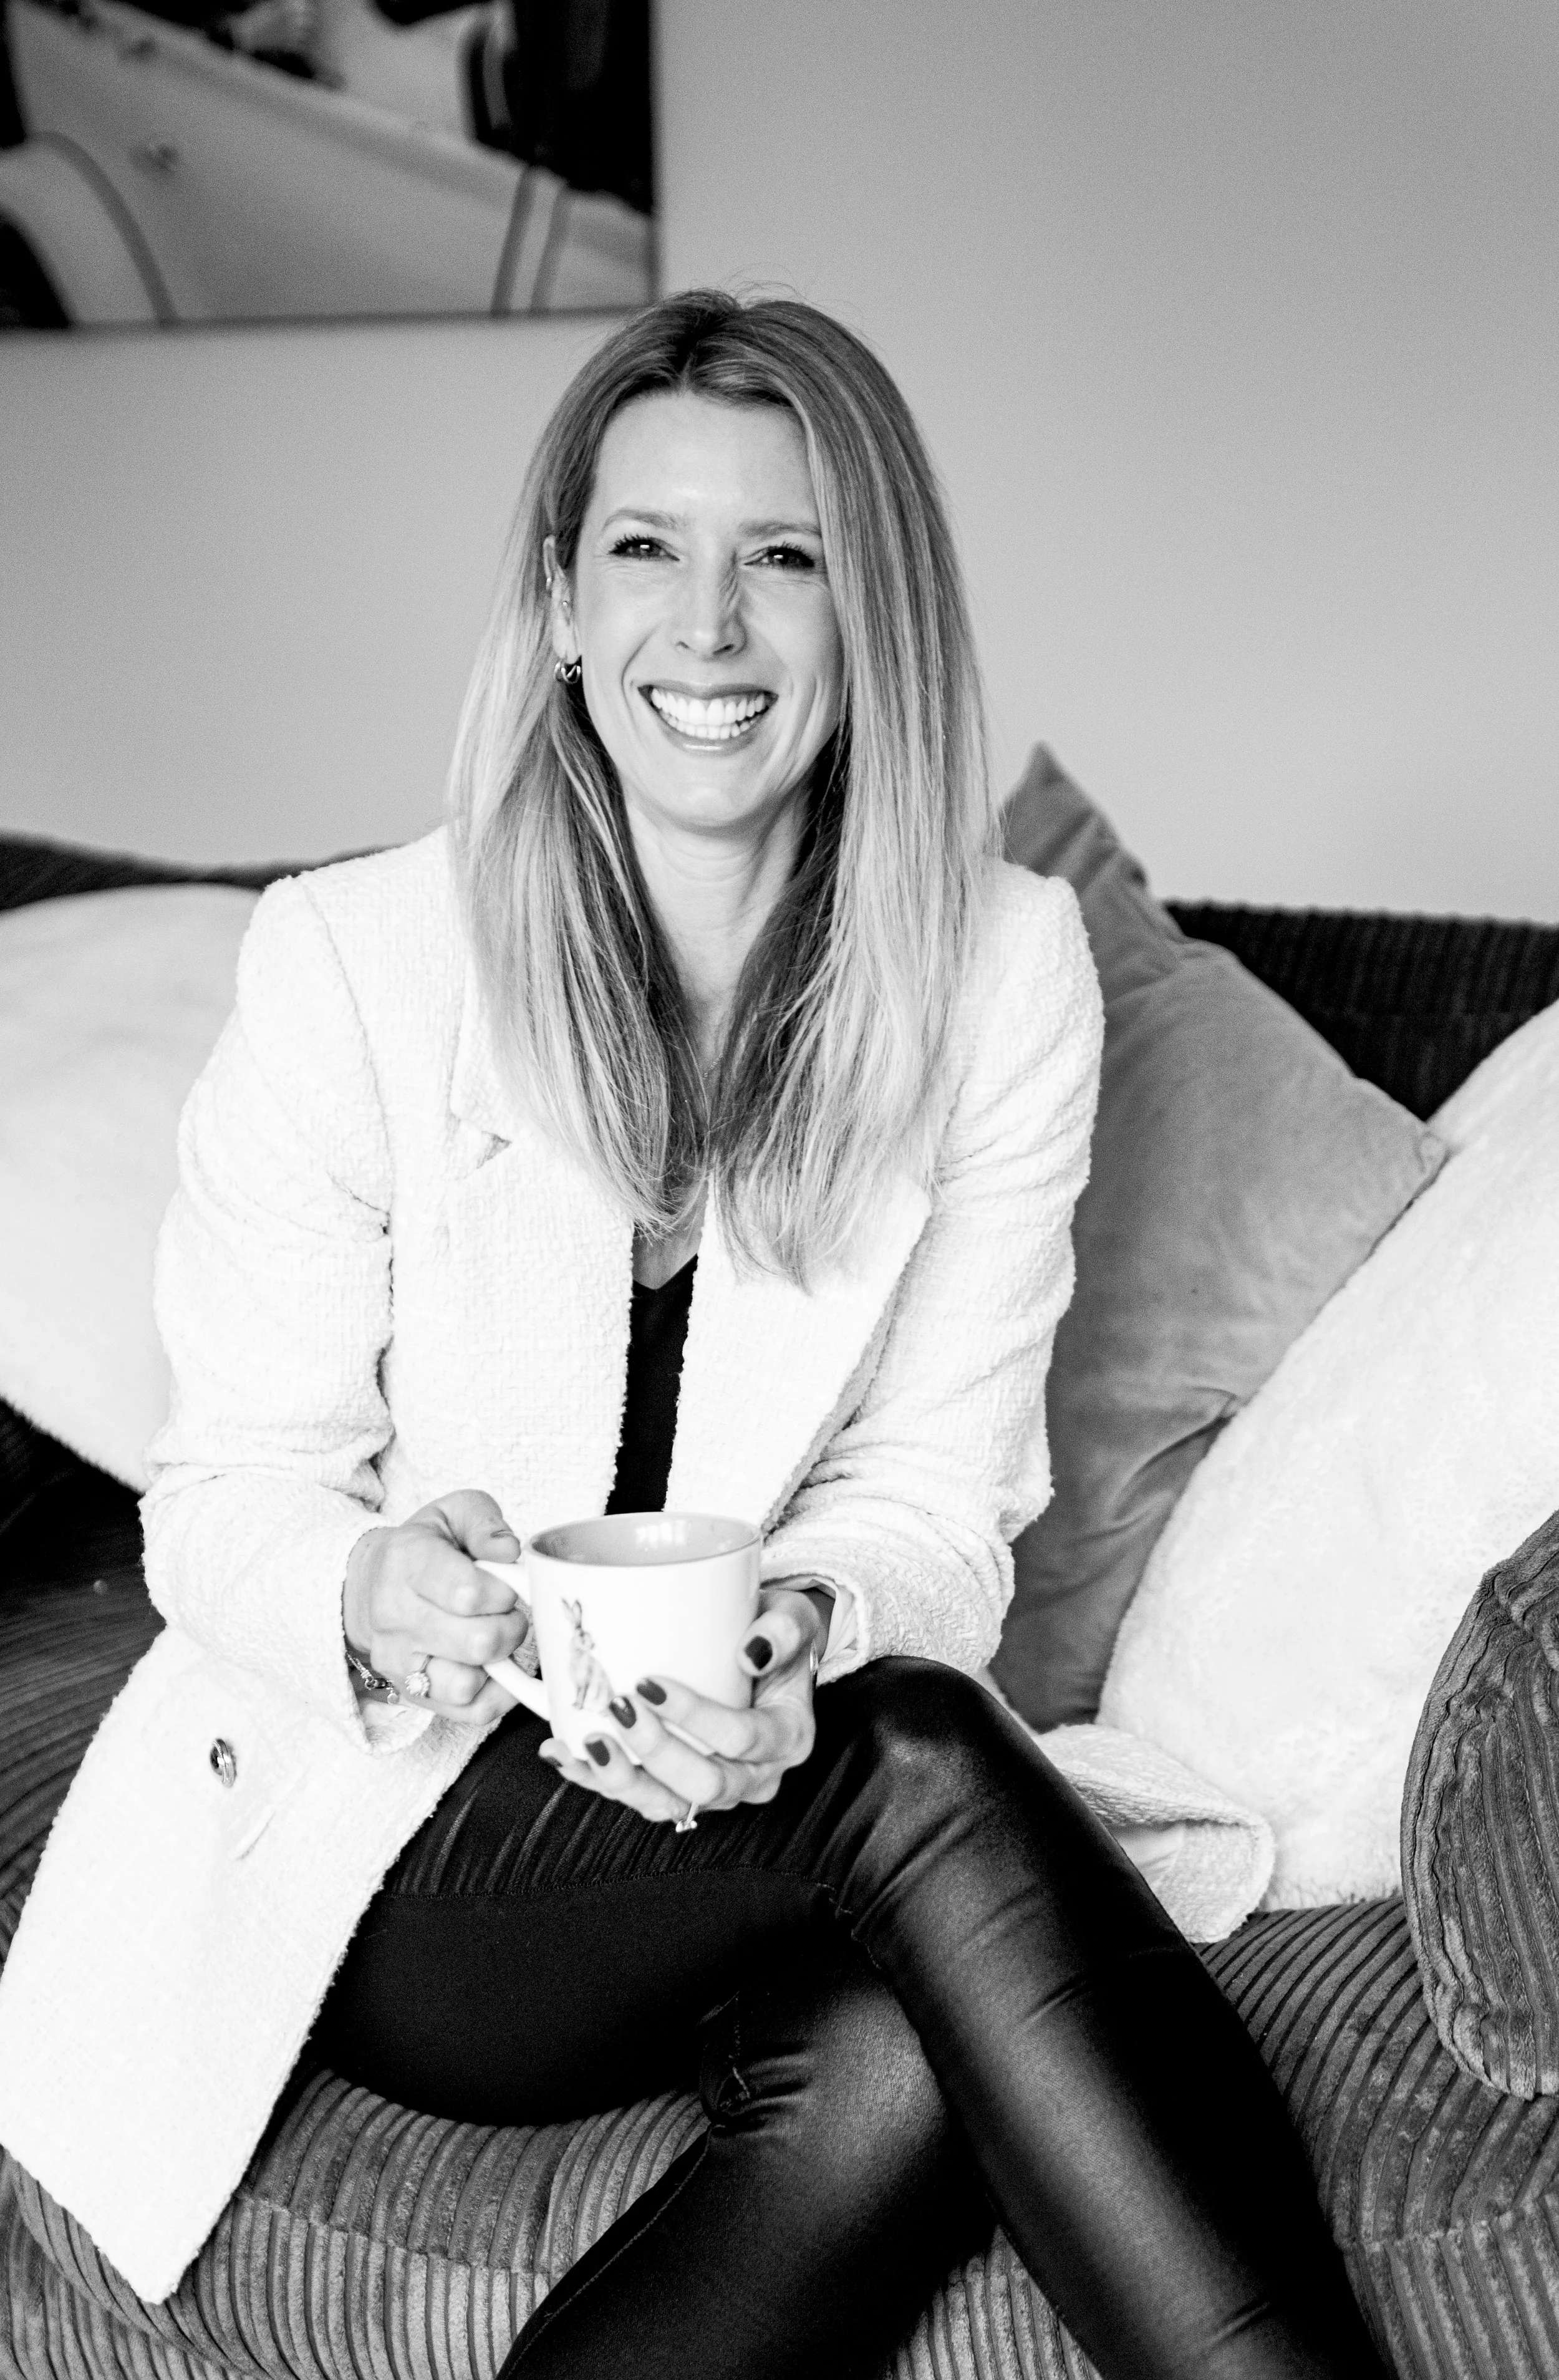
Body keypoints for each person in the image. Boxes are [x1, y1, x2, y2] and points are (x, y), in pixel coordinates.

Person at [0, 291, 1387, 2380]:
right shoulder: (358, 958)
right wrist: (370, 1589)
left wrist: (796, 1639)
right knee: (922, 1763)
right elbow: (225, 1497)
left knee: (894, 2064)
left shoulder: (998, 974)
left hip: (757, 1791)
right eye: (648, 546)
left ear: (871, 614)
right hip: (406, 1830)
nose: (710, 624)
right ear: (563, 606)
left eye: (786, 555)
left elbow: (935, 1502)